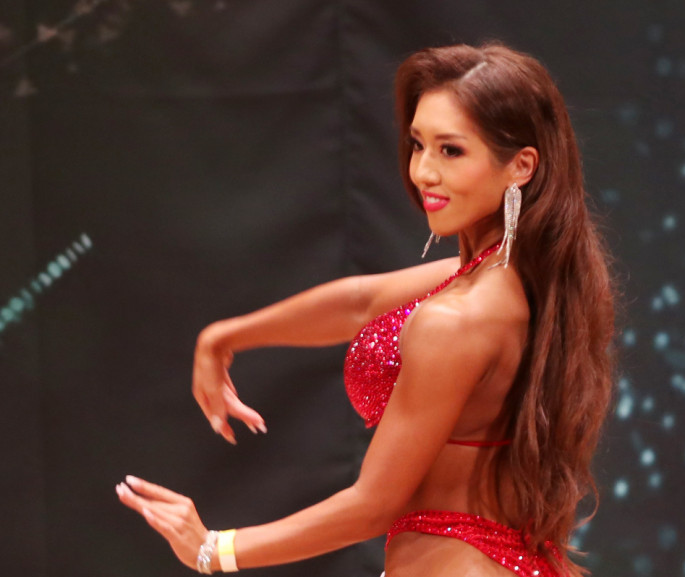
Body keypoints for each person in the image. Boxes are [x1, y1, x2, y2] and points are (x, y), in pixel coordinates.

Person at [117, 42, 616, 577]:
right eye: (417, 144)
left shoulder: (459, 319)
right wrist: (227, 336)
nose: (423, 172)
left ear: (521, 166)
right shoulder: (515, 280)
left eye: (451, 151)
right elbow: (360, 301)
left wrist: (214, 549)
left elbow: (372, 504)